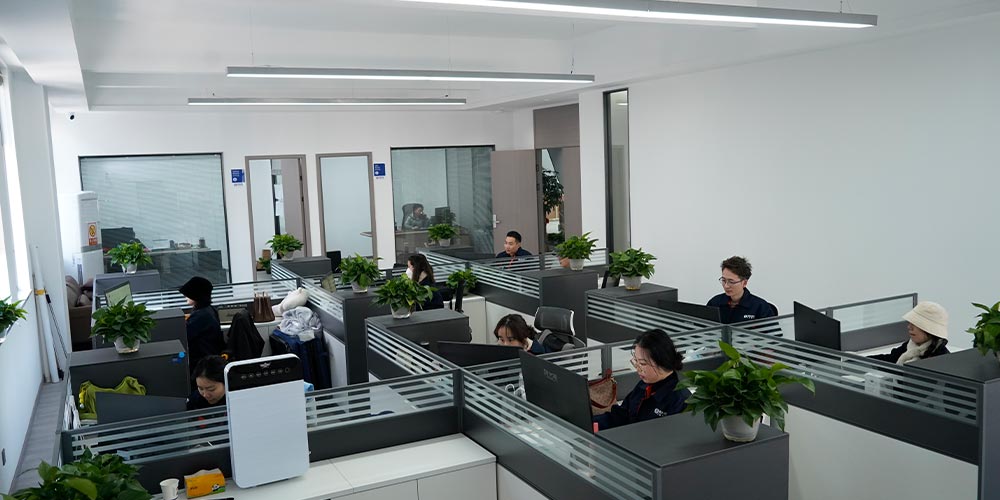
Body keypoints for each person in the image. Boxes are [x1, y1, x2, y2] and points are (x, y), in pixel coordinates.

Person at [594, 329, 689, 430]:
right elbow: (621, 416)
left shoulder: (681, 400)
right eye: (636, 361)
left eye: (642, 363)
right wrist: (592, 423)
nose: (638, 369)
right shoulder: (644, 386)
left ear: (662, 362)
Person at [870, 301, 950, 365]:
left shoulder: (941, 359)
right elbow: (890, 359)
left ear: (929, 330)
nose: (909, 327)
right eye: (910, 322)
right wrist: (863, 361)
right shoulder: (910, 346)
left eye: (915, 324)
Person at [707, 256, 776, 324]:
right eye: (723, 280)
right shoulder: (714, 303)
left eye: (731, 282)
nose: (726, 286)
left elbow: (772, 331)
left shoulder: (760, 307)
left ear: (744, 283)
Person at [179, 276, 225, 371]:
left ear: (196, 296)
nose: (185, 297)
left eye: (188, 294)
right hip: (209, 358)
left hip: (202, 365)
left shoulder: (201, 316)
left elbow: (183, 336)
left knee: (176, 360)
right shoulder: (209, 310)